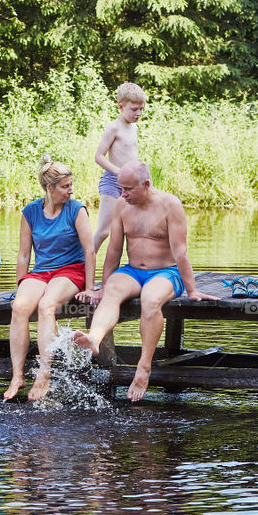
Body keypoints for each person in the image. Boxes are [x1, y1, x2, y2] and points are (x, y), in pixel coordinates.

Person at [73, 160, 215, 401]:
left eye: (128, 189)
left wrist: (192, 290)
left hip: (166, 272)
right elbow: (114, 250)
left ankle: (144, 367)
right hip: (133, 271)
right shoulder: (121, 206)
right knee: (111, 292)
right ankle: (94, 339)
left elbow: (180, 252)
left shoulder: (170, 205)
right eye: (120, 188)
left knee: (150, 300)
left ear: (146, 184)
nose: (123, 194)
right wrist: (103, 285)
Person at [3, 157, 96, 403]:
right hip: (41, 271)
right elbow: (24, 254)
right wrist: (20, 286)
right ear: (49, 188)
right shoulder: (31, 211)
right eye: (65, 186)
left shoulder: (77, 210)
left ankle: (44, 373)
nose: (71, 190)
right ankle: (18, 375)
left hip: (71, 269)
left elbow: (90, 252)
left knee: (46, 306)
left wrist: (89, 287)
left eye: (71, 184)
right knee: (20, 307)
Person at [93, 82, 146, 254]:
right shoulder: (114, 127)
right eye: (133, 109)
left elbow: (131, 156)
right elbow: (98, 157)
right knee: (103, 231)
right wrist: (118, 171)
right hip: (112, 182)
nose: (138, 113)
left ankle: (138, 267)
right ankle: (81, 265)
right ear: (121, 107)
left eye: (141, 109)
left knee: (133, 229)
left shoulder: (134, 128)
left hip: (131, 184)